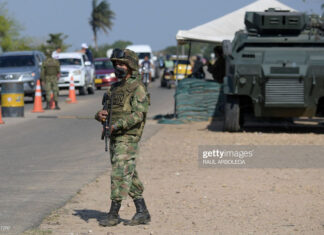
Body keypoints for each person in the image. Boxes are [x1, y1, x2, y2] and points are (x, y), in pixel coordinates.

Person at [95, 48, 151, 227]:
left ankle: (113, 214)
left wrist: (117, 125)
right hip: (114, 137)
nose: (118, 67)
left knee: (119, 174)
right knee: (128, 173)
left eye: (121, 64)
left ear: (130, 66)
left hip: (128, 137)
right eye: (116, 64)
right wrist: (100, 115)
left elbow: (138, 116)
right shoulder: (114, 88)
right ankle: (142, 211)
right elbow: (108, 111)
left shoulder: (138, 88)